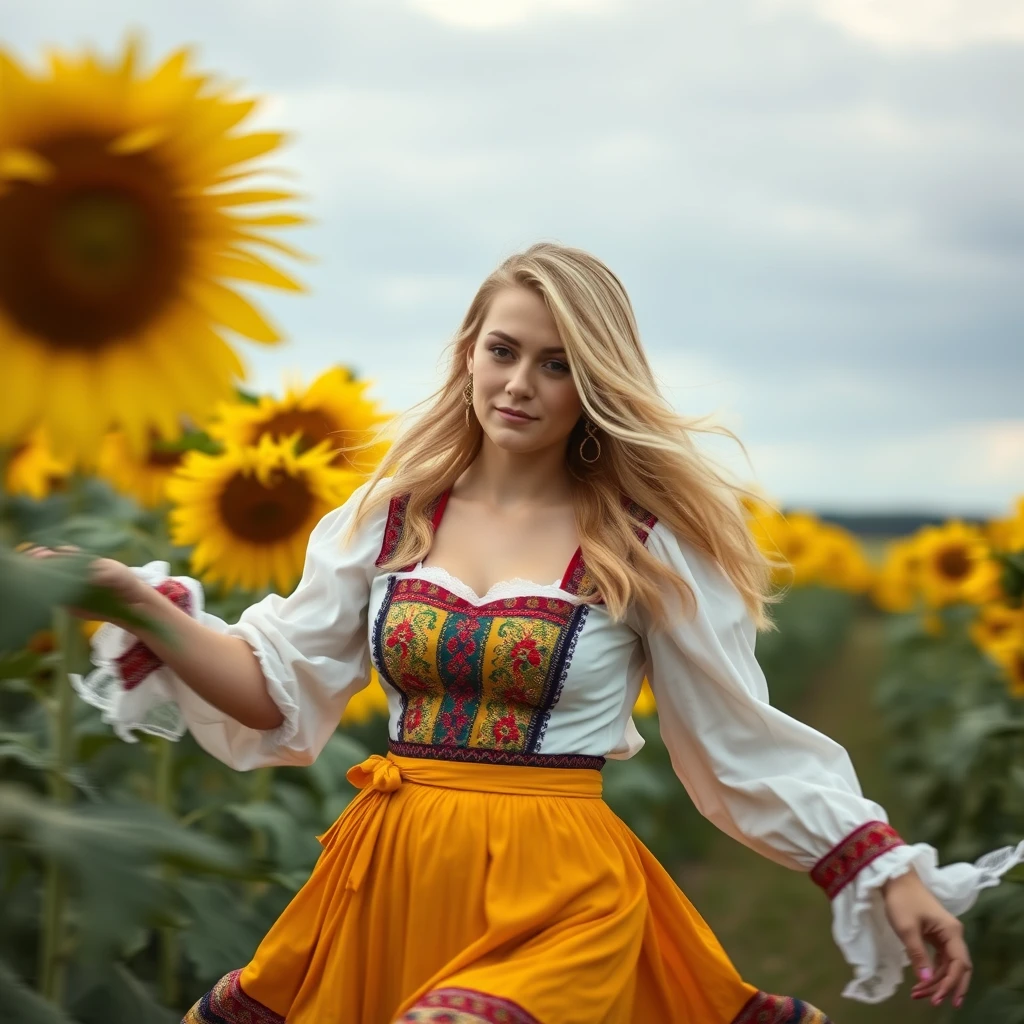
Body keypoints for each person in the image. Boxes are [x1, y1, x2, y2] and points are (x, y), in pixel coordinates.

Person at [31, 242, 1023, 1024]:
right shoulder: (389, 519)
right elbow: (275, 690)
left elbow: (734, 742)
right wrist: (128, 599)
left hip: (561, 887)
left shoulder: (642, 545)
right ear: (469, 348)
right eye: (502, 350)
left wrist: (881, 868)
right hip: (391, 875)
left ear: (591, 383)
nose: (519, 382)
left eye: (556, 365)